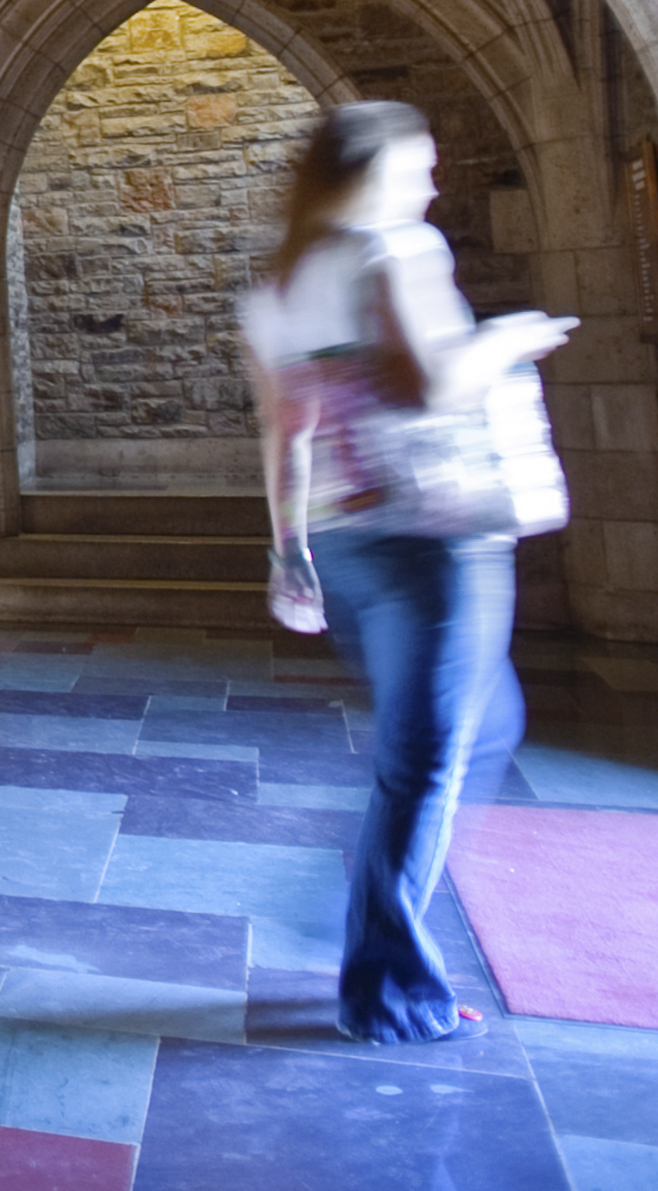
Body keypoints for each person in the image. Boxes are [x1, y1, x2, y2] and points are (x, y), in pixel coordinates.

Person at [238, 102, 574, 1044]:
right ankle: (386, 985)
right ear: (373, 171)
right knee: (425, 761)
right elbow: (432, 383)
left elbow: (286, 431)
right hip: (434, 537)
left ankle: (362, 900)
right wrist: (512, 340)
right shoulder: (394, 250)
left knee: (482, 724)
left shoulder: (278, 286)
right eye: (419, 167)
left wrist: (288, 547)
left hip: (348, 535)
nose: (431, 186)